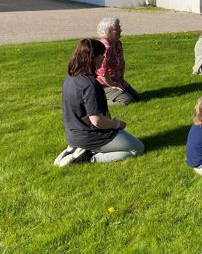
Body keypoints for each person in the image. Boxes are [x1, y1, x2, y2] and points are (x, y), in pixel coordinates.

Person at [53, 39, 145, 167]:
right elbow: (97, 121)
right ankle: (89, 157)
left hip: (72, 135)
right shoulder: (90, 84)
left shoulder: (69, 78)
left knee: (128, 142)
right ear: (93, 57)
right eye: (101, 55)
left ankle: (75, 149)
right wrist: (116, 124)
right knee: (137, 148)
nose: (104, 58)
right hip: (91, 136)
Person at [96, 17, 139, 105]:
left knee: (135, 97)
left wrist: (121, 80)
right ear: (108, 31)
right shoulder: (104, 47)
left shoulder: (117, 43)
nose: (120, 30)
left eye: (119, 27)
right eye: (117, 28)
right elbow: (103, 72)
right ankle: (97, 101)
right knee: (127, 101)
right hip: (104, 84)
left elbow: (122, 62)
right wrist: (113, 85)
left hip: (116, 80)